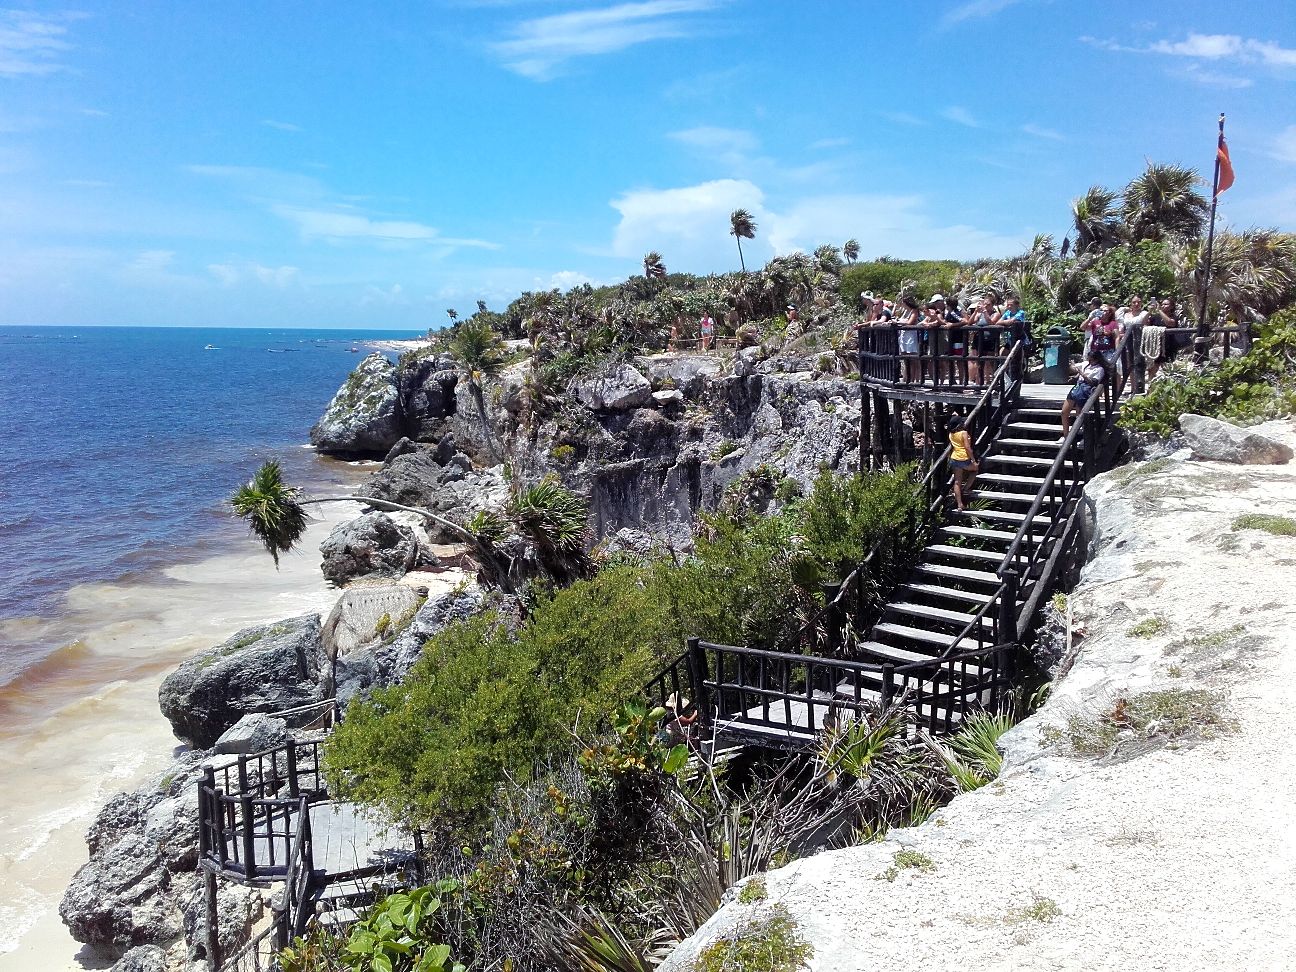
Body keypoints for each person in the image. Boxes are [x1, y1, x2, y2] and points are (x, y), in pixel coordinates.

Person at [1060, 350, 1107, 439]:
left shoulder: (1099, 369)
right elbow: (1073, 369)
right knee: (1064, 412)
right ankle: (1065, 436)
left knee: (1080, 416)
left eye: (1092, 360)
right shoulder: (1085, 364)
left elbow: (1093, 382)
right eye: (1088, 359)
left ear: (1097, 360)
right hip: (1077, 387)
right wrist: (1071, 365)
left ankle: (1084, 437)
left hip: (1086, 390)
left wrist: (1082, 374)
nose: (1089, 362)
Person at [946, 415, 978, 512]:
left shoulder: (950, 434)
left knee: (957, 481)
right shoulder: (963, 433)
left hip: (954, 458)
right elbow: (967, 448)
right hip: (963, 458)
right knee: (975, 469)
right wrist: (973, 460)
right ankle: (966, 488)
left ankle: (960, 505)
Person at [967, 295, 998, 385]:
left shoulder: (996, 314)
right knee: (979, 363)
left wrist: (985, 312)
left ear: (992, 305)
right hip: (978, 340)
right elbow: (970, 322)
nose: (985, 306)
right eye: (984, 304)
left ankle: (994, 383)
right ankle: (978, 384)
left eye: (988, 304)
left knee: (990, 363)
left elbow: (991, 322)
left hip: (989, 341)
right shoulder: (979, 314)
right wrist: (976, 311)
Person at [1085, 304, 1120, 371]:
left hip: (1108, 351)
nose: (1102, 312)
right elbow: (1083, 327)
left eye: (1105, 311)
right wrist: (1090, 318)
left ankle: (1117, 381)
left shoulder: (1113, 323)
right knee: (1096, 369)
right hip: (1096, 351)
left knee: (1113, 368)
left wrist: (1117, 351)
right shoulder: (1095, 322)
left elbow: (1117, 337)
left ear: (1109, 314)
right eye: (1101, 310)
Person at [896, 295, 921, 382]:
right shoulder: (904, 312)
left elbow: (910, 322)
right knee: (906, 359)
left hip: (911, 336)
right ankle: (906, 379)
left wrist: (899, 322)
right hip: (903, 336)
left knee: (912, 360)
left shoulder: (914, 311)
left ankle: (911, 380)